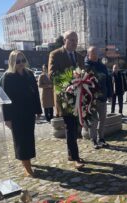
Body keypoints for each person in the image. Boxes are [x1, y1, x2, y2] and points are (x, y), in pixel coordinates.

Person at [1, 50, 42, 177]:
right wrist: (7, 118)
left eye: (23, 60)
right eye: (18, 61)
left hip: (29, 111)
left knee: (29, 137)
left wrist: (38, 110)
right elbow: (5, 100)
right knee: (20, 139)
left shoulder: (29, 74)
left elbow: (35, 93)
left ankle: (28, 158)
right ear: (12, 62)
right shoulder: (7, 77)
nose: (21, 63)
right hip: (16, 113)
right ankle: (26, 164)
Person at [48, 30, 85, 168]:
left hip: (79, 97)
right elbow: (52, 75)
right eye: (71, 40)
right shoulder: (55, 55)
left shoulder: (80, 57)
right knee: (71, 127)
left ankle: (71, 154)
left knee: (76, 127)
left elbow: (84, 74)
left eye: (76, 40)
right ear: (65, 41)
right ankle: (75, 158)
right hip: (64, 98)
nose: (74, 43)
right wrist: (71, 80)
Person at [84, 46, 112, 149]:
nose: (95, 55)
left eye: (96, 53)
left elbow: (108, 80)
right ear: (88, 55)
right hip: (91, 99)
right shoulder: (86, 66)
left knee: (103, 119)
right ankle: (94, 140)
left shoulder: (102, 66)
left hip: (103, 97)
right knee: (94, 121)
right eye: (93, 53)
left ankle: (101, 138)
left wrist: (110, 94)